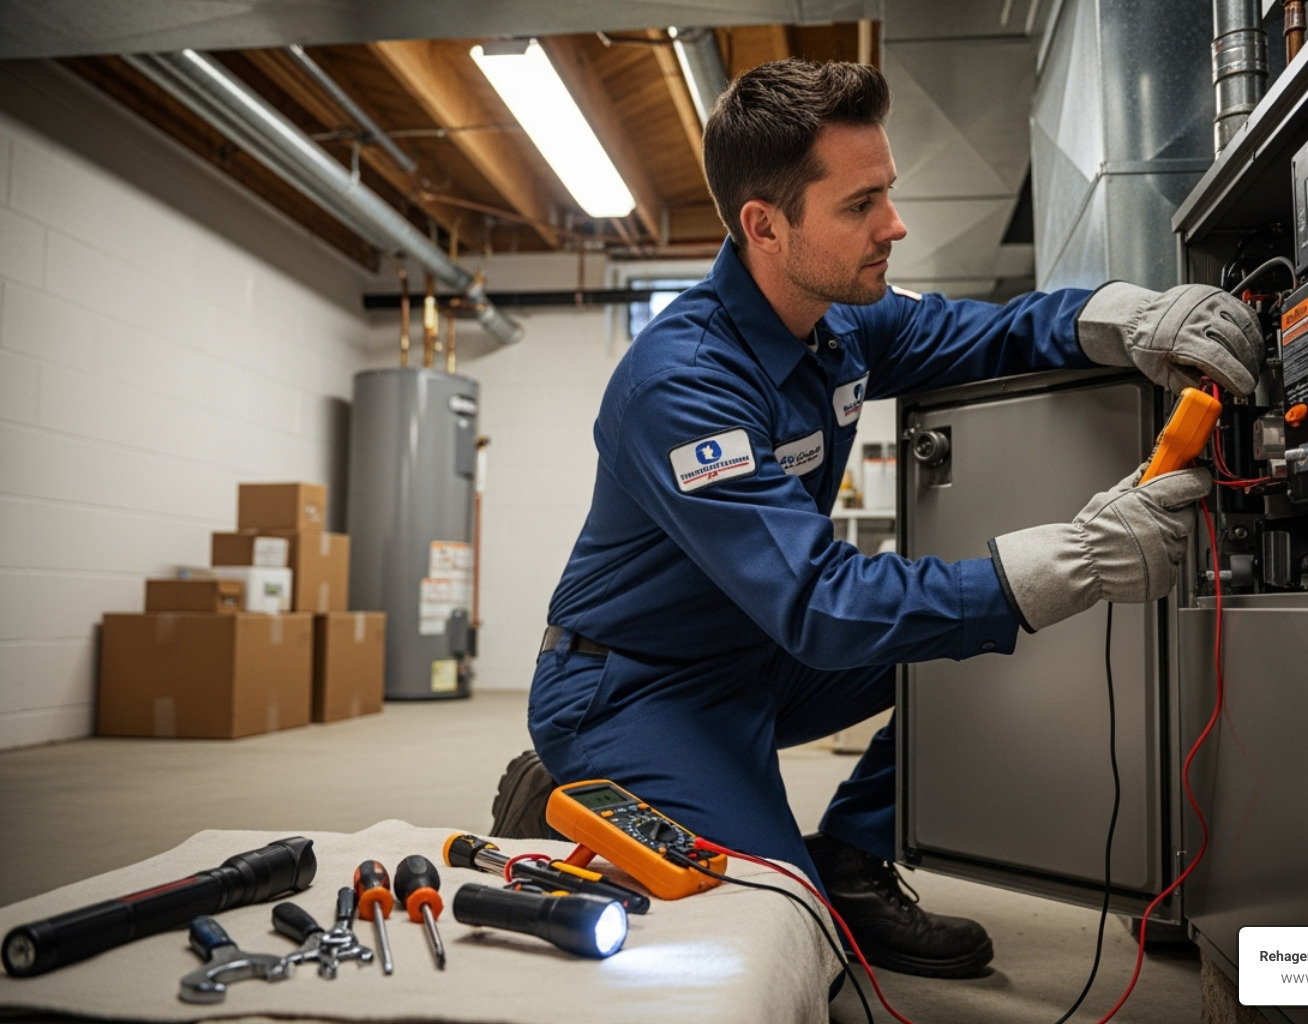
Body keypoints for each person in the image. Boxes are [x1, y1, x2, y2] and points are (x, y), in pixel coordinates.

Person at [492, 59, 1262, 978]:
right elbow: (821, 601)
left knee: (980, 641)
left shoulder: (840, 320)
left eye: (887, 193)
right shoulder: (682, 384)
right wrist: (1076, 562)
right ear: (764, 226)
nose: (893, 225)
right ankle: (567, 795)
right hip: (635, 684)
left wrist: (1124, 316)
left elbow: (989, 333)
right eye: (861, 206)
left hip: (763, 657)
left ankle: (853, 853)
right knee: (778, 932)